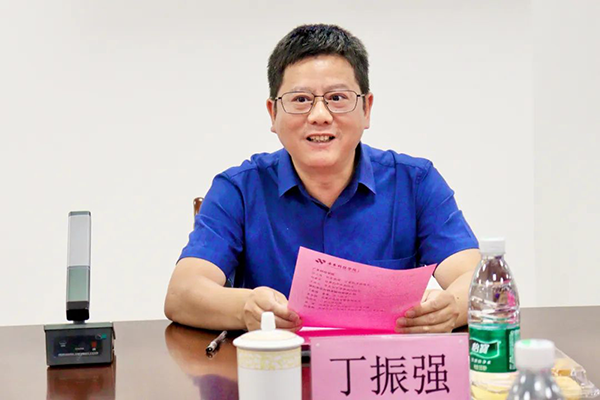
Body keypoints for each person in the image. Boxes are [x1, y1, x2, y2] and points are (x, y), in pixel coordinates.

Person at [164, 24, 480, 334]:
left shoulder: (415, 183)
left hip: (379, 365)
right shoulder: (239, 190)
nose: (319, 116)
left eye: (337, 98)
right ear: (273, 114)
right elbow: (182, 293)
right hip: (276, 364)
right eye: (301, 100)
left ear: (366, 109)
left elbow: (480, 281)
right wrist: (246, 307)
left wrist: (450, 308)